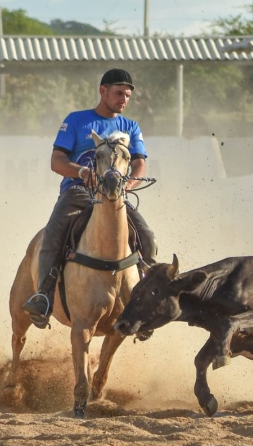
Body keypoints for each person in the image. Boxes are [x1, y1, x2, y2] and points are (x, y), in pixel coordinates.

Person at [22, 68, 158, 328]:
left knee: (147, 237)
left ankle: (148, 302)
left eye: (128, 96)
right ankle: (43, 296)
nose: (124, 100)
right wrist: (82, 171)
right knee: (53, 234)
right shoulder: (77, 121)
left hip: (114, 196)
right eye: (119, 93)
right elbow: (57, 161)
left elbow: (139, 163)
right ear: (103, 91)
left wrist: (127, 185)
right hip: (77, 191)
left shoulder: (131, 126)